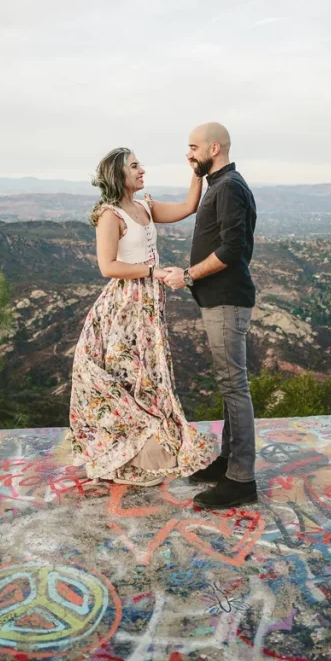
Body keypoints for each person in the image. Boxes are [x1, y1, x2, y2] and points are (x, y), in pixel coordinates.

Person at [68, 147, 217, 486]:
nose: (141, 170)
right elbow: (108, 266)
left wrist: (197, 173)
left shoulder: (145, 206)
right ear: (118, 175)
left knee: (148, 372)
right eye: (134, 166)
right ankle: (126, 447)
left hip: (148, 301)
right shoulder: (111, 215)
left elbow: (187, 207)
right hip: (125, 305)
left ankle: (150, 445)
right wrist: (153, 272)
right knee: (126, 371)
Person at [164, 123, 258, 509]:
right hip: (219, 299)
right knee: (227, 384)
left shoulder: (230, 187)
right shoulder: (219, 184)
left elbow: (232, 248)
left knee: (234, 386)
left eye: (192, 147)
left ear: (214, 147)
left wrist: (186, 276)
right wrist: (196, 172)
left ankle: (241, 480)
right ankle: (226, 462)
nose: (187, 153)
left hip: (227, 300)